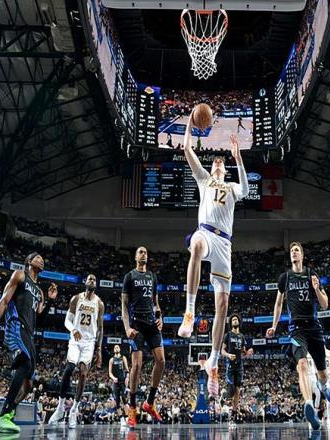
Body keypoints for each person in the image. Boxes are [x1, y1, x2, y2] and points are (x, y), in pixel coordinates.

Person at [178, 108, 249, 398]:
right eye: (215, 160)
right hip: (206, 233)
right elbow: (186, 149)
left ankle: (215, 363)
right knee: (195, 245)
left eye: (221, 161)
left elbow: (246, 188)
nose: (217, 163)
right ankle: (189, 312)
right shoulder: (204, 179)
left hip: (224, 245)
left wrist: (238, 157)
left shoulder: (231, 186)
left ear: (226, 169)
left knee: (222, 307)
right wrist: (190, 122)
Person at [0, 252, 58, 433]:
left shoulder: (39, 292)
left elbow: (40, 318)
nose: (41, 260)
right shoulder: (20, 275)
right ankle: (2, 416)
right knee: (25, 363)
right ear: (29, 261)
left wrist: (49, 301)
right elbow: (4, 301)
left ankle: (8, 415)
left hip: (29, 334)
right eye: (38, 257)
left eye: (43, 259)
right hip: (15, 326)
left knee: (28, 385)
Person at [266, 241, 330, 430]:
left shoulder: (312, 274)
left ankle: (323, 386)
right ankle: (309, 405)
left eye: (297, 250)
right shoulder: (285, 278)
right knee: (302, 364)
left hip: (314, 327)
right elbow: (278, 304)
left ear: (302, 255)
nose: (293, 252)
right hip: (296, 329)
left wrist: (316, 289)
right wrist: (273, 326)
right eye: (291, 251)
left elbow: (325, 304)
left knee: (322, 374)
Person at [48, 274, 104, 429]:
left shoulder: (99, 303)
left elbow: (100, 328)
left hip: (89, 342)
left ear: (96, 284)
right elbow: (67, 320)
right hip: (75, 339)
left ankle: (74, 410)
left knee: (83, 373)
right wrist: (73, 330)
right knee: (69, 369)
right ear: (85, 282)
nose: (92, 280)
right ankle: (60, 408)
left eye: (94, 279)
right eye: (90, 278)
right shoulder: (76, 299)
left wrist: (99, 349)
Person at [121, 246, 165, 427]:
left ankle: (149, 402)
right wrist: (127, 327)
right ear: (135, 257)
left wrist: (160, 317)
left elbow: (156, 302)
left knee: (161, 361)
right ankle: (132, 407)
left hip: (152, 324)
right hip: (137, 324)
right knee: (137, 365)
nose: (144, 254)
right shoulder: (129, 276)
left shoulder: (152, 277)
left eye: (146, 252)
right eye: (140, 252)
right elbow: (124, 305)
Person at [221, 313, 253, 424]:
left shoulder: (242, 337)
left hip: (239, 366)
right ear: (231, 323)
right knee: (231, 391)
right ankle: (224, 395)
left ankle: (233, 414)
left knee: (238, 391)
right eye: (233, 320)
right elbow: (222, 351)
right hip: (230, 365)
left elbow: (243, 352)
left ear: (239, 322)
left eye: (236, 319)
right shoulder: (228, 335)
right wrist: (228, 355)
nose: (234, 321)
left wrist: (248, 352)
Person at [109, 344, 130, 427]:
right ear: (113, 350)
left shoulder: (123, 358)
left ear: (120, 349)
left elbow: (127, 369)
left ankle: (127, 417)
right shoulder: (111, 360)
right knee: (117, 401)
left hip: (122, 381)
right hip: (115, 382)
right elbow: (110, 373)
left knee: (124, 399)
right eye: (115, 347)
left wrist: (127, 377)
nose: (116, 348)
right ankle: (121, 419)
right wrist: (113, 377)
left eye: (117, 347)